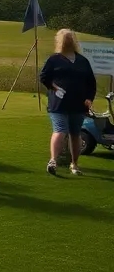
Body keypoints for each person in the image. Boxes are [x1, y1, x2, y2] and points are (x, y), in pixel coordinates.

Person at [39, 28, 98, 176]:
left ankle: (75, 164)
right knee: (60, 130)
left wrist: (89, 98)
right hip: (59, 103)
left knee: (75, 134)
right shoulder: (54, 59)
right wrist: (54, 87)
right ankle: (53, 160)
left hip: (78, 103)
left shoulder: (82, 61)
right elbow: (44, 77)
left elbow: (91, 82)